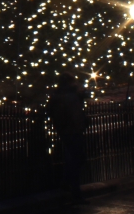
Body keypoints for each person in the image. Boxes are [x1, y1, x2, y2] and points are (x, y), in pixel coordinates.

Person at [47, 72, 89, 200]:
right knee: (77, 159)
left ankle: (66, 183)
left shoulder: (58, 95)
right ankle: (73, 190)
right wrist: (82, 125)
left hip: (64, 130)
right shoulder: (71, 96)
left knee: (72, 158)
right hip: (73, 131)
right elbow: (76, 115)